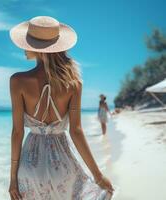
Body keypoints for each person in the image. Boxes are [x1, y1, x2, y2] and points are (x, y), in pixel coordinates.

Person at [8, 16, 114, 200]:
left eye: (27, 43)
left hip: (30, 166)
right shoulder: (73, 84)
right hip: (63, 165)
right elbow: (77, 131)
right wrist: (98, 175)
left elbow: (17, 132)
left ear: (37, 49)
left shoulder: (18, 81)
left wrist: (12, 180)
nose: (24, 48)